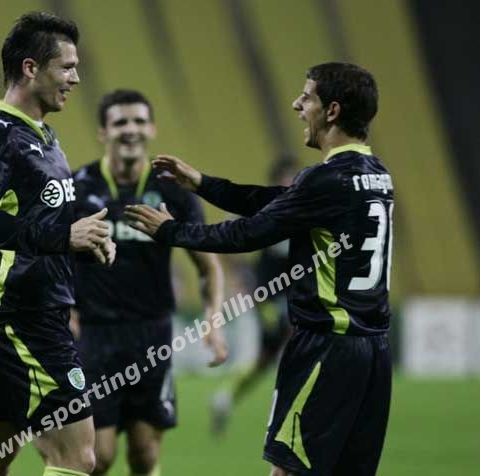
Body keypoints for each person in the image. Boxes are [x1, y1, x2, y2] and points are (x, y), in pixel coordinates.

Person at [126, 63, 393, 476]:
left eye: (307, 97)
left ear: (333, 110)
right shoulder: (377, 176)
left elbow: (247, 233)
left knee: (287, 470)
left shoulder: (324, 180)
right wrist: (203, 184)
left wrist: (171, 231)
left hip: (326, 351)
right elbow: (273, 201)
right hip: (373, 354)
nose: (297, 105)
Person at [0, 12, 116, 476]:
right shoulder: (0, 136)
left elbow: (40, 223)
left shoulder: (43, 135)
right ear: (30, 68)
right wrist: (64, 236)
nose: (75, 78)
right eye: (67, 67)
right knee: (78, 457)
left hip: (33, 313)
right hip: (19, 317)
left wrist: (84, 240)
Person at [72, 89, 228, 476]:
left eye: (139, 121)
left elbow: (207, 266)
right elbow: (52, 258)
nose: (131, 129)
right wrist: (64, 311)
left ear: (152, 128)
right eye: (121, 122)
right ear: (103, 132)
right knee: (98, 457)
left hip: (152, 335)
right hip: (94, 334)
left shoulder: (173, 191)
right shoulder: (78, 187)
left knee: (144, 453)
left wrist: (213, 320)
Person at [210, 158, 298, 436]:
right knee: (295, 341)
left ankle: (225, 397)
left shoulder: (303, 207)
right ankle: (291, 412)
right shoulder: (268, 207)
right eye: (286, 179)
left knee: (265, 358)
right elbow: (228, 227)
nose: (291, 184)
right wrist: (241, 275)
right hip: (269, 296)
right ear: (275, 181)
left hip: (294, 294)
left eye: (294, 179)